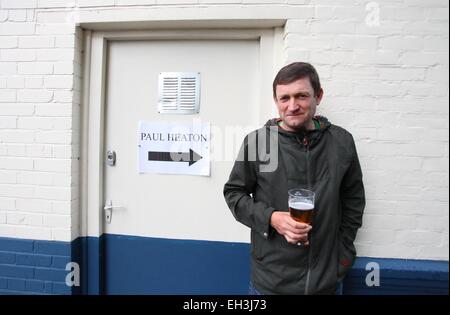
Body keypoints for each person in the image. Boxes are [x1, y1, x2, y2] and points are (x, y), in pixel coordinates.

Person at [223, 62, 365, 295]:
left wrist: (343, 256)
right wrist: (271, 218)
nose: (292, 106)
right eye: (284, 98)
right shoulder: (259, 143)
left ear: (318, 96)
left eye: (301, 96)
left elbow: (354, 202)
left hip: (326, 282)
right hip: (270, 282)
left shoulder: (341, 142)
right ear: (276, 101)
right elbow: (234, 195)